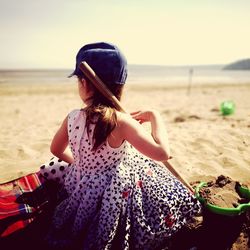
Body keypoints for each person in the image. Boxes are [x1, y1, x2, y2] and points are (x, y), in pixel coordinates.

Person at [40, 42, 201, 249]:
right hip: (112, 191)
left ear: (85, 84)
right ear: (121, 85)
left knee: (54, 165)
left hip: (79, 184)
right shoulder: (122, 123)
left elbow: (56, 150)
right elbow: (162, 153)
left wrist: (80, 165)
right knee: (157, 180)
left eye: (79, 81)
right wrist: (154, 116)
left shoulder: (71, 117)